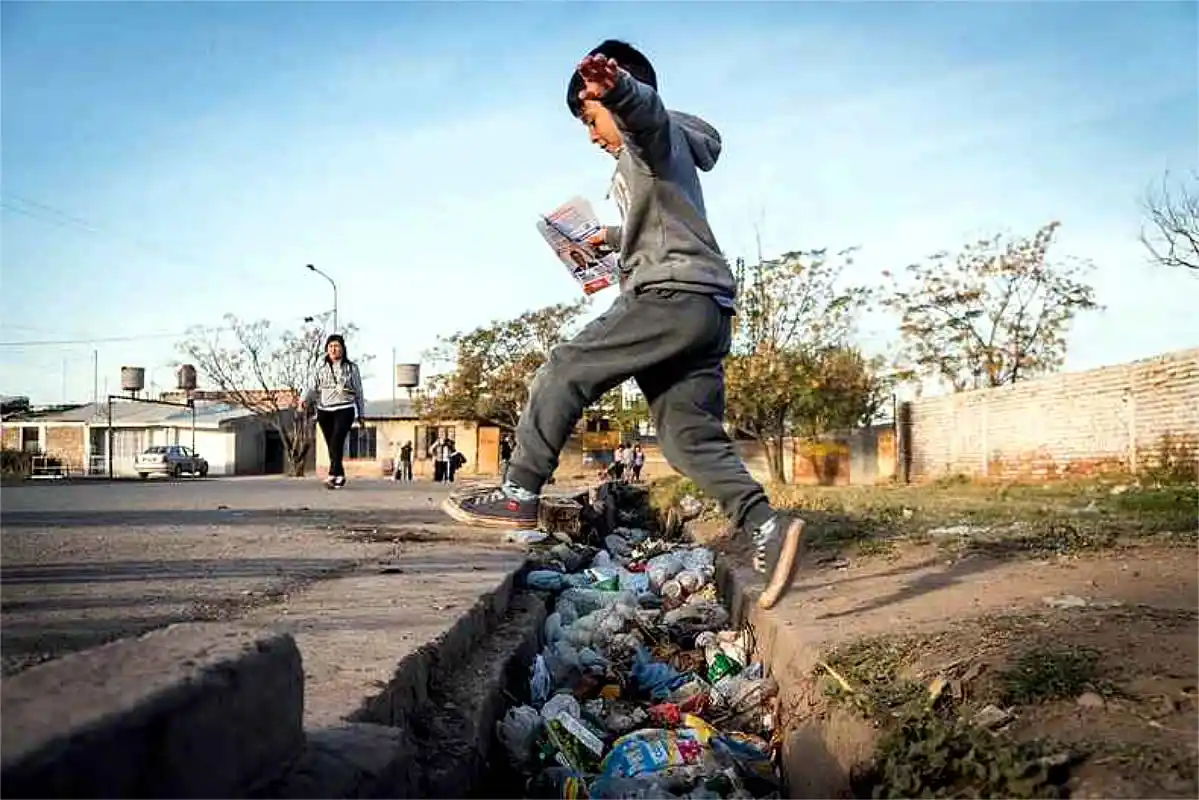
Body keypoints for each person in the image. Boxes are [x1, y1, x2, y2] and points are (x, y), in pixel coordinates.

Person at [442, 40, 805, 611]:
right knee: (689, 439)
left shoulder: (650, 139)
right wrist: (606, 240)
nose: (591, 135)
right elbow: (662, 221)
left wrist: (620, 93)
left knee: (567, 367)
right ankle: (764, 526)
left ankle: (517, 493)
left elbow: (646, 120)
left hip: (670, 294)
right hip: (705, 308)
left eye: (590, 119)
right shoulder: (664, 159)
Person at [301, 334, 365, 490]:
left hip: (345, 408)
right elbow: (312, 386)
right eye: (330, 347)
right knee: (331, 444)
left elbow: (359, 391)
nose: (333, 349)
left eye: (336, 346)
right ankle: (340, 475)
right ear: (326, 349)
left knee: (337, 440)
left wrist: (361, 414)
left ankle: (332, 474)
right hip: (325, 410)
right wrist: (304, 399)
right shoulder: (321, 368)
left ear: (343, 349)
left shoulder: (351, 368)